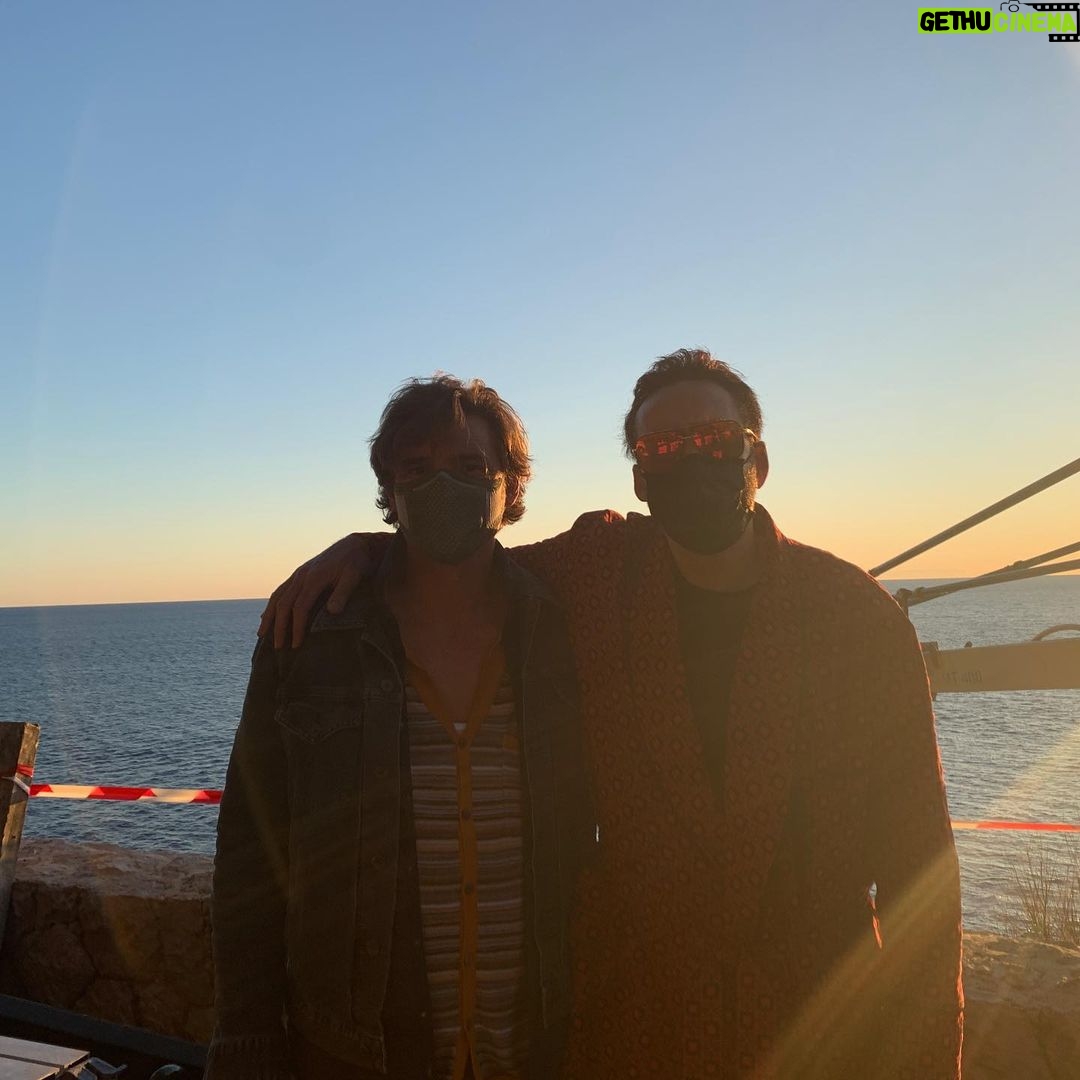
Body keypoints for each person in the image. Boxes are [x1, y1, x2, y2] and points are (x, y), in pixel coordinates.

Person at [262, 349, 964, 1079]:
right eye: (662, 448)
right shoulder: (596, 576)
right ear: (639, 479)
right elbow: (462, 557)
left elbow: (921, 870)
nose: (690, 460)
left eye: (714, 441)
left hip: (816, 1025)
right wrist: (370, 550)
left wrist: (926, 1062)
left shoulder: (856, 617)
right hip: (634, 1026)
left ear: (757, 460)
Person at [208, 377, 591, 1080]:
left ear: (511, 485)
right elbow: (250, 850)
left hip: (536, 1042)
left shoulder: (560, 625)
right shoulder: (309, 633)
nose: (443, 486)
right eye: (416, 468)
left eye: (471, 466)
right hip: (358, 1052)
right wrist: (247, 1039)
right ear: (388, 488)